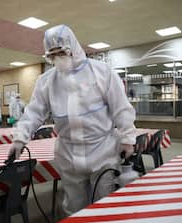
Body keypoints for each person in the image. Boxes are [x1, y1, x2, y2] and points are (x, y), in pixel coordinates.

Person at [9, 25, 136, 216]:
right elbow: (34, 112)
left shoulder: (101, 72)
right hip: (68, 154)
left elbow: (121, 108)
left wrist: (128, 139)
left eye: (62, 52)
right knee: (74, 206)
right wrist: (20, 139)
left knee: (103, 202)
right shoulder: (47, 81)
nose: (58, 58)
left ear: (73, 47)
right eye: (52, 55)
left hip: (103, 150)